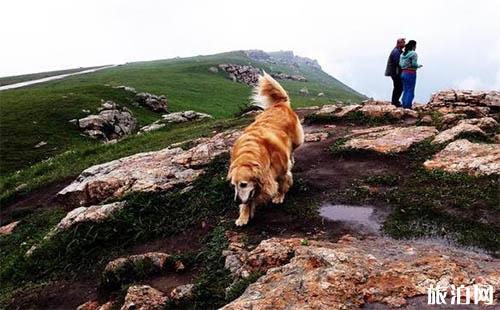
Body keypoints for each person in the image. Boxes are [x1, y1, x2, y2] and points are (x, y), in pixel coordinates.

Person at [399, 40, 422, 109]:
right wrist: (418, 66)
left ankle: (404, 105)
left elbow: (400, 64)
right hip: (410, 73)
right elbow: (414, 64)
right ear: (413, 46)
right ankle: (408, 106)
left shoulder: (402, 54)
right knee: (410, 90)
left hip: (403, 73)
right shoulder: (413, 54)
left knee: (405, 90)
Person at [385, 38, 405, 107]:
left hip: (395, 72)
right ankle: (395, 102)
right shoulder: (396, 51)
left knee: (398, 87)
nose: (404, 44)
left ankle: (395, 101)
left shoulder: (398, 51)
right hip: (395, 72)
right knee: (398, 87)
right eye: (403, 43)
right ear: (399, 43)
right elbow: (398, 62)